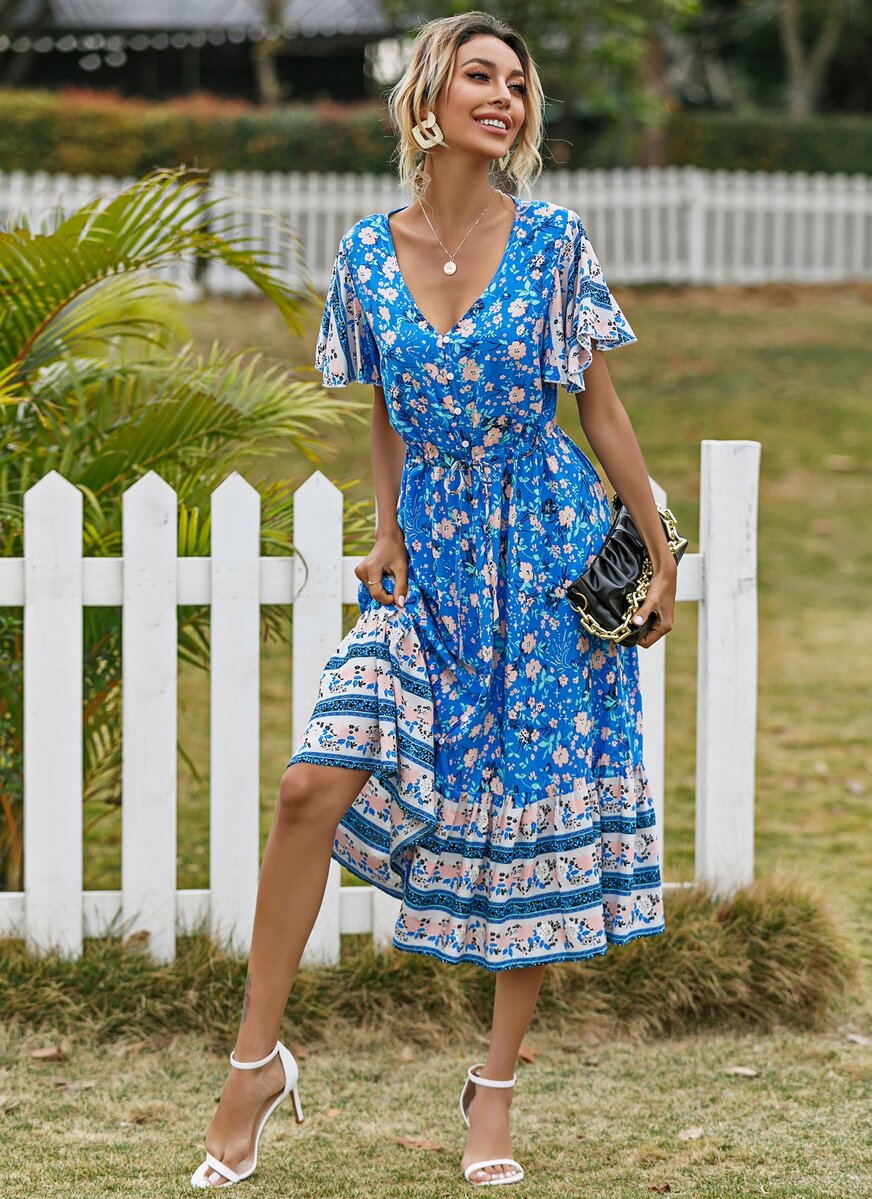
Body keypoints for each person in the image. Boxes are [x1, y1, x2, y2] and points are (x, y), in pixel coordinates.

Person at [190, 10, 676, 1191]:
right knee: (310, 784)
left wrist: (658, 551)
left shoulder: (553, 240)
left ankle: (493, 1087)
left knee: (527, 822)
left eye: (519, 83)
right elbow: (383, 405)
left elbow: (599, 405)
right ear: (428, 100)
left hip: (545, 550)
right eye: (481, 77)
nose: (506, 97)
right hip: (432, 565)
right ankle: (254, 1062)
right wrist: (388, 527)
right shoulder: (368, 253)